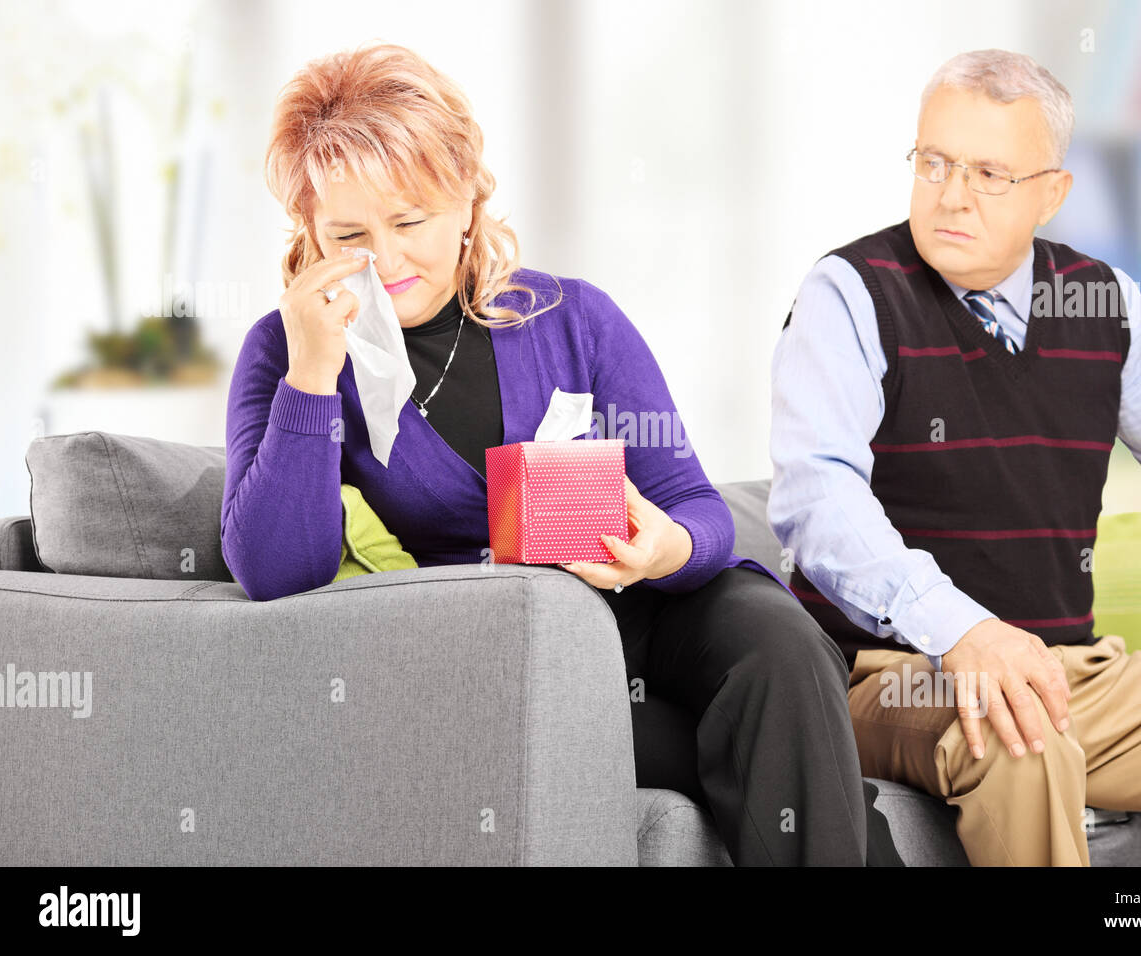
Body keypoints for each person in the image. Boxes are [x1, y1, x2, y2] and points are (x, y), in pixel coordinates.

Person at [222, 41, 896, 866]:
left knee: (782, 653)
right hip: (519, 655)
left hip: (659, 609)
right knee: (744, 739)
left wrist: (663, 547)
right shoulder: (286, 352)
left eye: (409, 222)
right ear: (310, 231)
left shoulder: (570, 317)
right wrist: (314, 372)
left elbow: (697, 509)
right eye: (349, 233)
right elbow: (275, 570)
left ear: (467, 201)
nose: (386, 261)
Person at [769, 48, 1141, 866]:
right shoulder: (851, 293)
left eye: (988, 173)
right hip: (892, 680)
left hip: (1065, 673)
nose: (951, 195)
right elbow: (817, 501)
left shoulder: (1104, 306)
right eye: (934, 162)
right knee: (1022, 731)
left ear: (1053, 193)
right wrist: (964, 632)